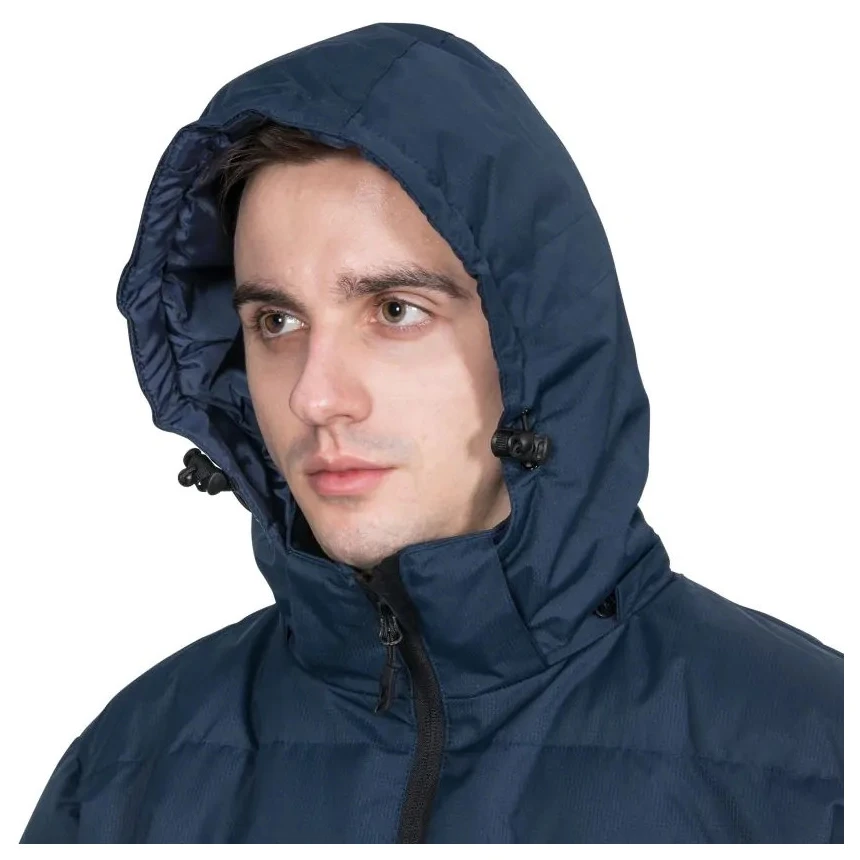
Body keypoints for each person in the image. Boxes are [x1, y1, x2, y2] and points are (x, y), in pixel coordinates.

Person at [20, 22, 843, 844]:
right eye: (276, 321)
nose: (315, 396)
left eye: (394, 311)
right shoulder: (128, 777)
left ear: (534, 341)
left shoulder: (815, 763)